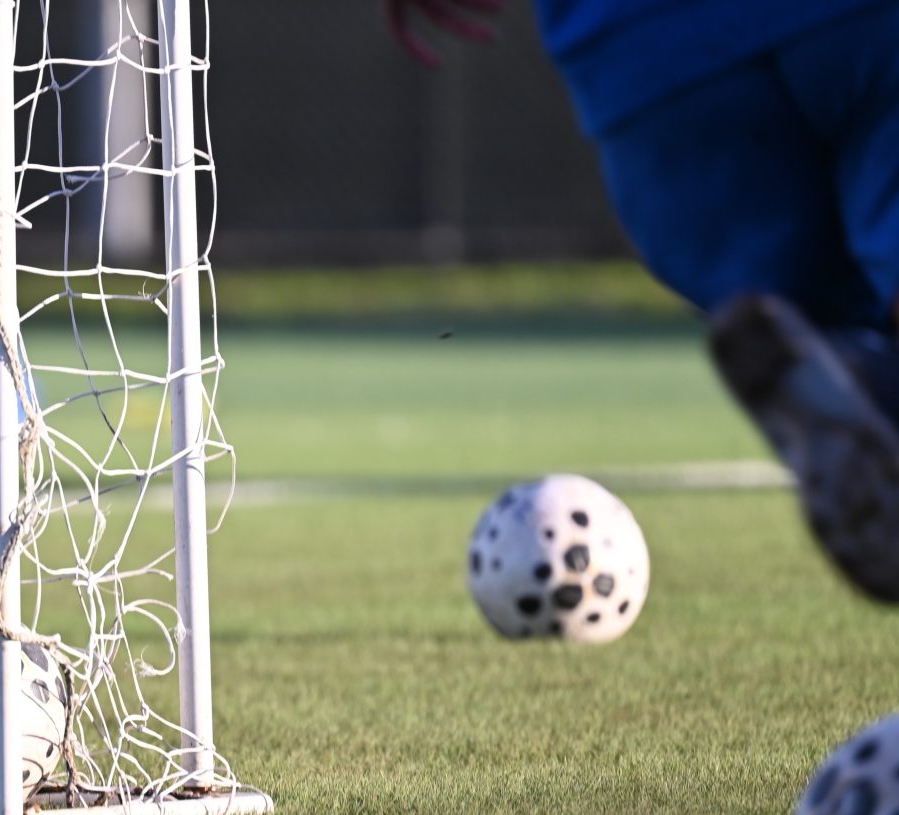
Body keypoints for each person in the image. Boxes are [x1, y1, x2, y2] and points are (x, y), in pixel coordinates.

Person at [383, 0, 899, 601]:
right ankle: (868, 378)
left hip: (645, 62)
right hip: (859, 23)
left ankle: (858, 375)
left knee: (813, 310)